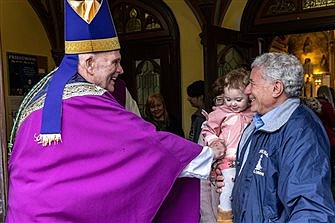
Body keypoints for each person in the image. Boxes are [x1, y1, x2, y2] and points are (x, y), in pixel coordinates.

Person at [6, 1, 225, 222]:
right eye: (115, 62)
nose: (120, 70)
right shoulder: (87, 101)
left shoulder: (42, 95)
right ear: (90, 63)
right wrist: (207, 154)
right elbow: (147, 145)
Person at [230, 52, 335, 222]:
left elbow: (311, 210)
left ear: (276, 88)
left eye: (252, 83)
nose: (247, 90)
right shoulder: (258, 123)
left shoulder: (302, 131)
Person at [200, 68, 254, 223]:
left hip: (247, 159)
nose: (233, 104)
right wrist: (214, 142)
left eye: (238, 100)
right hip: (228, 158)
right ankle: (225, 216)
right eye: (228, 99)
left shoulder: (253, 113)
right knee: (227, 186)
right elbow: (207, 128)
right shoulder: (220, 113)